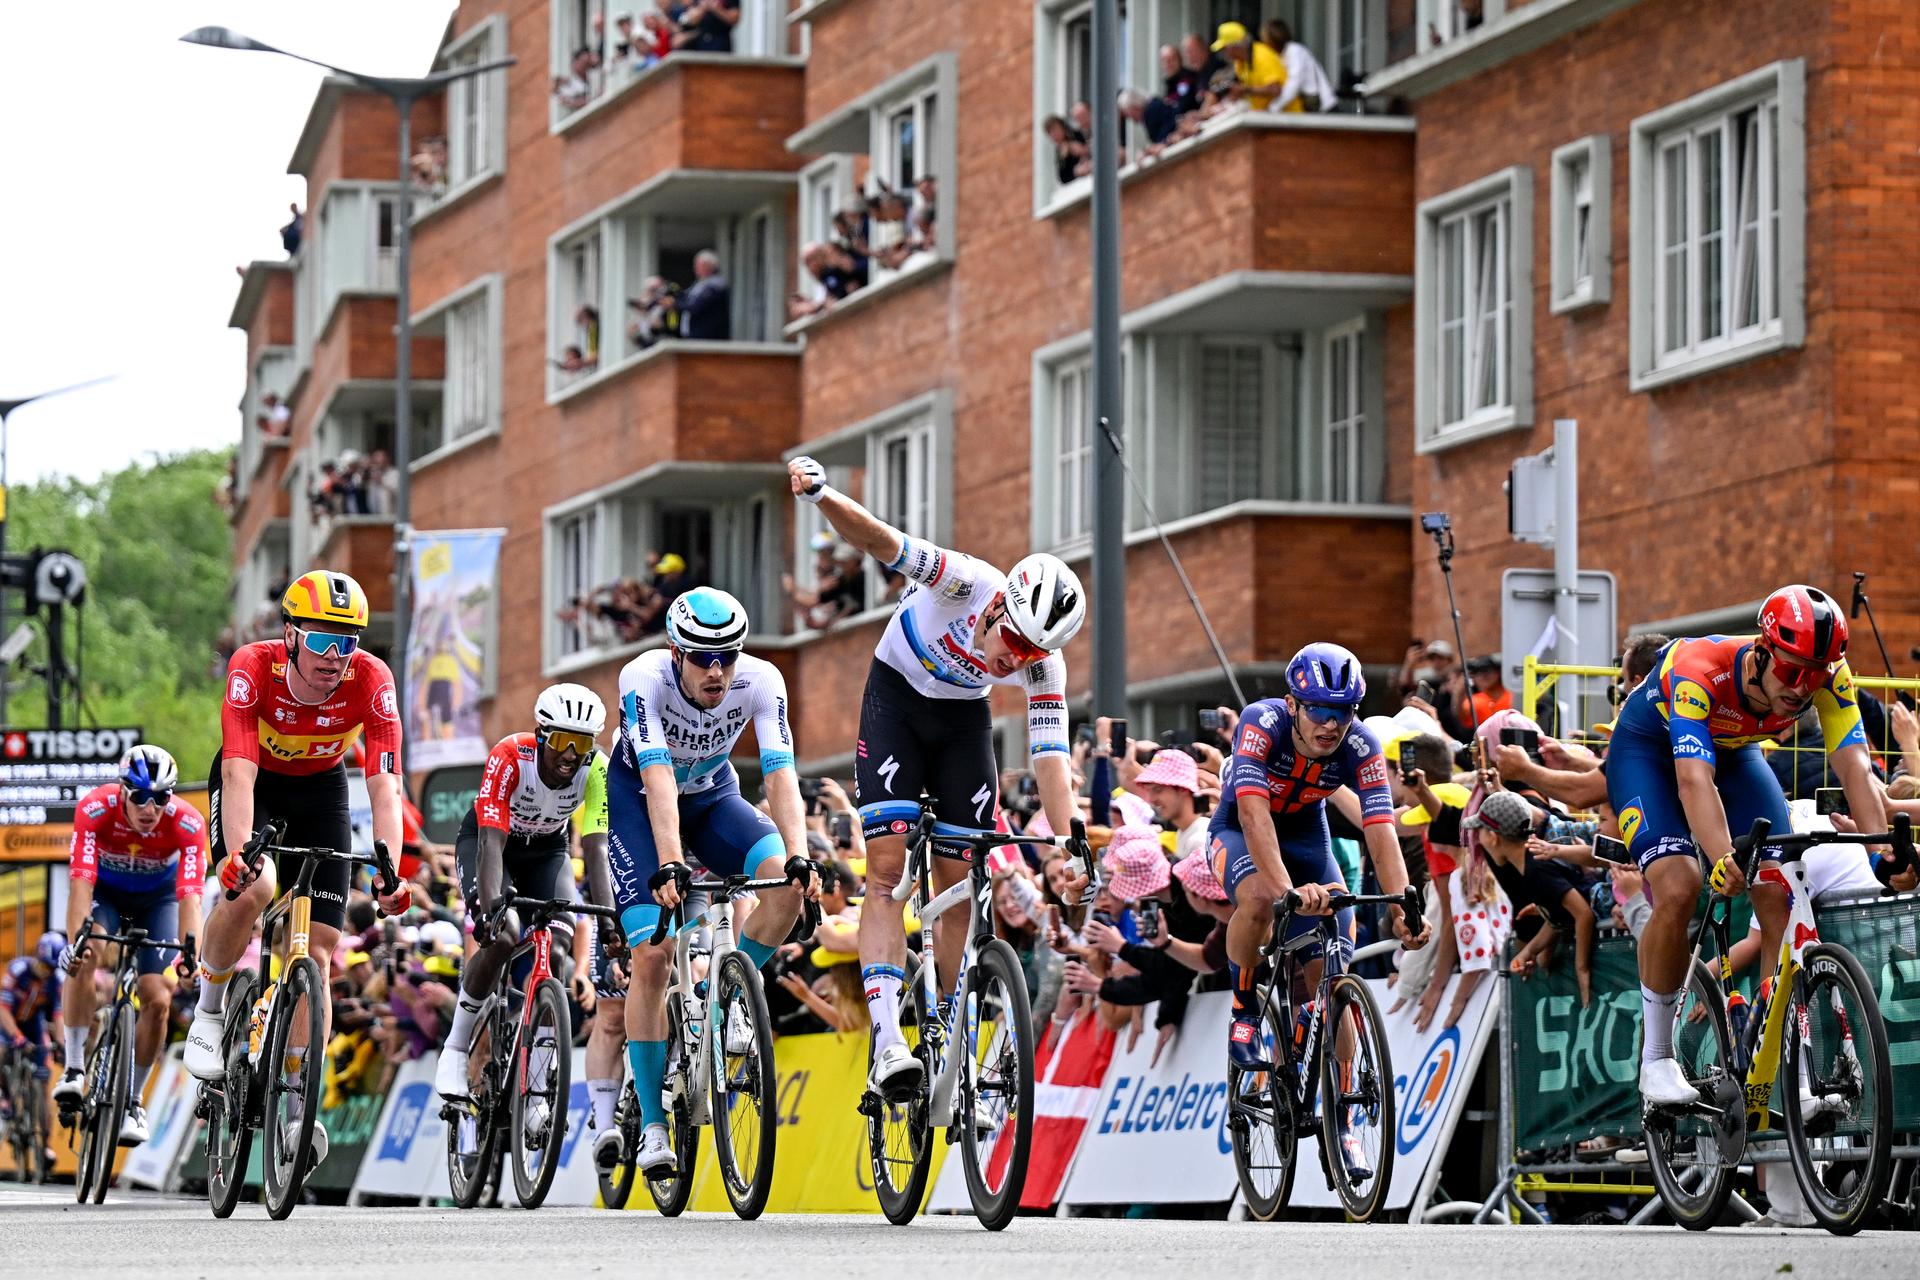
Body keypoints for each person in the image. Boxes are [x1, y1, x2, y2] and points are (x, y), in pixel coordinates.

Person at [787, 453, 1087, 1100]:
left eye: (1036, 654)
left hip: (959, 725)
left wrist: (1071, 843)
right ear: (999, 605)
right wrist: (821, 495)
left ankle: (949, 1031)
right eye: (1017, 643)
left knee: (958, 881)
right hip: (894, 699)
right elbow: (880, 540)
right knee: (888, 874)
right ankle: (889, 1039)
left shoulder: (1042, 670)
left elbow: (1051, 760)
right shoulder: (964, 581)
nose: (1018, 661)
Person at [1606, 585, 1885, 1107]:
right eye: (1793, 670)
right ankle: (1657, 1059)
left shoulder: (1828, 674)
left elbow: (1855, 767)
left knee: (1777, 891)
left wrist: (1880, 853)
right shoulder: (1698, 666)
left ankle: (1791, 1072)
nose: (1803, 688)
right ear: (1760, 650)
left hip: (1733, 755)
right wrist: (1721, 856)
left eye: (1816, 675)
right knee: (1681, 883)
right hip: (1649, 753)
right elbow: (1692, 779)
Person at [185, 570, 413, 1181]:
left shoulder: (371, 679)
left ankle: (293, 1092)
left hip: (320, 791)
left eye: (348, 642)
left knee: (319, 948)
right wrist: (238, 856)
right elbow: (237, 775)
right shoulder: (252, 666)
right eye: (320, 640)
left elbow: (385, 783)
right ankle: (209, 1010)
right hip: (253, 780)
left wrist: (390, 867)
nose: (335, 657)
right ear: (289, 635)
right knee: (256, 887)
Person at [605, 587, 819, 1176]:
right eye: (703, 656)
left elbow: (780, 774)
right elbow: (655, 778)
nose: (718, 669)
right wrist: (671, 862)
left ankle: (729, 993)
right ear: (676, 653)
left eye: (728, 653)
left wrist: (798, 853)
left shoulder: (761, 679)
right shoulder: (642, 677)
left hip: (715, 796)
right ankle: (651, 1125)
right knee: (654, 954)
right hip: (640, 801)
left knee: (786, 885)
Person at [1208, 642, 1427, 1178]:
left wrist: (1402, 904)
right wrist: (1286, 890)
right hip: (1240, 830)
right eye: (1320, 711)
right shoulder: (1262, 724)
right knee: (1259, 898)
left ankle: (1346, 1116)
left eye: (1343, 712)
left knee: (1335, 977)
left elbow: (1380, 831)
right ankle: (1243, 1008)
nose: (1332, 725)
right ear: (1293, 704)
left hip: (1309, 837)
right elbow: (1255, 816)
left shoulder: (1361, 744)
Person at [435, 686, 619, 1115]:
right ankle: (457, 1047)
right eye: (561, 741)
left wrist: (610, 922)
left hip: (548, 852)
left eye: (583, 743)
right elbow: (491, 844)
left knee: (555, 948)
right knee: (503, 937)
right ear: (540, 735)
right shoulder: (509, 755)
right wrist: (489, 911)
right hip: (490, 844)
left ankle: (537, 1090)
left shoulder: (598, 771)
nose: (572, 754)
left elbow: (595, 850)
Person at [53, 746, 204, 1145]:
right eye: (140, 796)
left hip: (159, 901)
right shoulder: (95, 809)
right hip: (107, 893)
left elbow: (190, 896)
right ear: (122, 791)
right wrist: (75, 942)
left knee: (158, 998)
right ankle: (74, 1067)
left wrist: (191, 958)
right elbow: (81, 881)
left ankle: (133, 1101)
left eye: (161, 797)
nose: (150, 807)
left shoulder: (188, 823)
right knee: (87, 955)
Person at [0, 934, 67, 1120]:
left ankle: (43, 1144)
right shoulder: (17, 969)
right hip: (8, 1021)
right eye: (44, 965)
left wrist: (61, 1042)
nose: (47, 972)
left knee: (44, 1079)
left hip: (33, 1024)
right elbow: (3, 1010)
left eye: (51, 969)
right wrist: (17, 1037)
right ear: (37, 957)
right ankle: (3, 1093)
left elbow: (58, 1014)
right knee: (2, 1050)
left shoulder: (56, 980)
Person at [1210, 21, 1287, 112]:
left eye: (1224, 48)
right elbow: (1248, 93)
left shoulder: (1262, 56)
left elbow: (1275, 89)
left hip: (1286, 118)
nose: (1223, 53)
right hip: (1265, 116)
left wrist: (1244, 89)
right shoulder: (1240, 63)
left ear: (1234, 47)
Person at [1260, 20, 1336, 112]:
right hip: (1308, 104)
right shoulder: (1280, 55)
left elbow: (1294, 84)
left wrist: (1273, 107)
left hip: (1320, 106)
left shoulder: (1295, 51)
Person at [680, 249, 731, 341]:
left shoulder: (716, 285)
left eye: (698, 264)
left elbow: (695, 307)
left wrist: (673, 304)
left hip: (707, 337)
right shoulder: (699, 284)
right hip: (694, 334)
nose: (695, 267)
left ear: (708, 266)